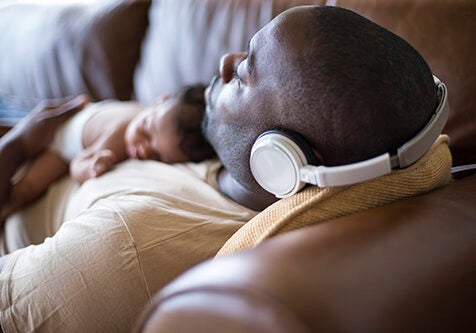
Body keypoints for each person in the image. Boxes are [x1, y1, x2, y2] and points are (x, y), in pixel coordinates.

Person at [0, 6, 443, 333]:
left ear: (281, 160)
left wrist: (16, 147)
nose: (224, 62)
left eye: (245, 73)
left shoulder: (125, 251)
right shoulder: (216, 154)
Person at [0, 84, 215, 221]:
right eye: (146, 132)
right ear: (159, 100)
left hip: (63, 140)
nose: (143, 149)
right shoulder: (118, 139)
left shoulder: (148, 115)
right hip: (60, 138)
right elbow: (77, 164)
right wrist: (91, 167)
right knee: (25, 189)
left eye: (158, 156)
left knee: (26, 187)